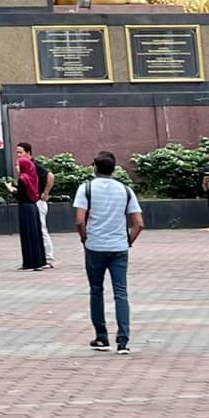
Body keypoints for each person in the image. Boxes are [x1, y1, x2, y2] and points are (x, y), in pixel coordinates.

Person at [73, 151, 143, 352]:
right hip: (119, 247)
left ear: (95, 167)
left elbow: (79, 220)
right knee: (120, 292)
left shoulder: (86, 188)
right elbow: (138, 223)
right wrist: (128, 241)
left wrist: (84, 238)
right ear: (114, 168)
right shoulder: (125, 190)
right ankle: (123, 340)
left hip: (95, 246)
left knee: (96, 290)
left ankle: (101, 337)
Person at [14, 142, 52, 271]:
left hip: (36, 202)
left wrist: (45, 193)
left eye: (20, 152)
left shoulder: (32, 167)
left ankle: (47, 258)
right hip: (33, 202)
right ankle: (40, 259)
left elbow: (50, 176)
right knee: (36, 231)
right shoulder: (27, 170)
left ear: (28, 153)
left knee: (40, 231)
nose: (18, 156)